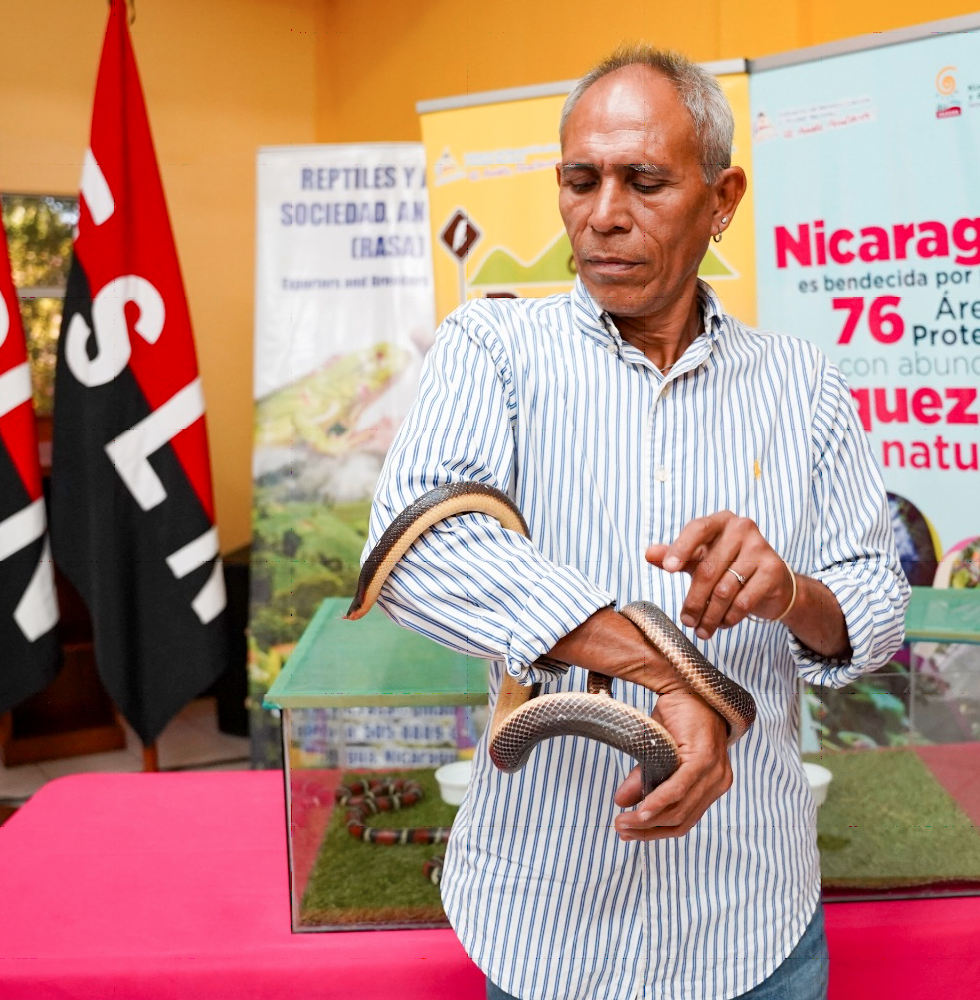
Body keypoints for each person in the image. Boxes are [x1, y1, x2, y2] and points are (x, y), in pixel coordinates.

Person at [363, 44, 909, 1000]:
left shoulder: (803, 385)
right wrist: (669, 673)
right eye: (582, 179)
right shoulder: (492, 348)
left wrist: (789, 592)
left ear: (723, 197)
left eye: (645, 181)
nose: (604, 213)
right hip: (547, 917)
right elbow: (420, 554)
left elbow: (877, 611)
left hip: (752, 914)